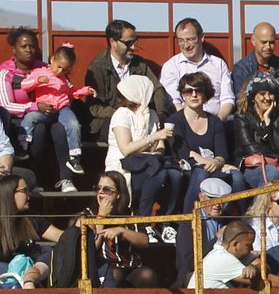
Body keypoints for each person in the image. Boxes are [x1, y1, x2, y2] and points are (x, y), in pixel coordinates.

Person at [1, 28, 75, 192]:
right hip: (19, 122)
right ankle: (33, 180)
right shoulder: (6, 72)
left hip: (49, 115)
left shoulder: (47, 68)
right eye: (24, 46)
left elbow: (65, 89)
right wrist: (34, 107)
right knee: (39, 130)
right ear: (14, 49)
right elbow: (6, 105)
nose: (29, 50)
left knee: (60, 128)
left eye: (32, 46)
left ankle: (66, 179)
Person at [105, 76, 183, 219]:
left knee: (175, 175)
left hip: (147, 163)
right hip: (125, 166)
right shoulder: (121, 114)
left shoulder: (151, 114)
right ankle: (143, 218)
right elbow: (126, 149)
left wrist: (156, 152)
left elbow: (161, 147)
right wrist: (153, 138)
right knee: (158, 174)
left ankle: (165, 220)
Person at [20, 44, 92, 188]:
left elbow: (71, 93)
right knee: (30, 118)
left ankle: (74, 157)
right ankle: (22, 145)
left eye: (64, 70)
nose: (60, 71)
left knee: (73, 124)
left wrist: (84, 91)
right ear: (52, 60)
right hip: (44, 111)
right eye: (58, 67)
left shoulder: (64, 79)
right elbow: (24, 85)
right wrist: (37, 81)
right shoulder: (40, 72)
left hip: (61, 110)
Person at [167, 71, 238, 216]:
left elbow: (222, 153)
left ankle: (238, 220)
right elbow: (185, 153)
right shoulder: (175, 121)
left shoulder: (215, 121)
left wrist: (217, 162)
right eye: (188, 91)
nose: (193, 95)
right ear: (182, 95)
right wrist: (210, 163)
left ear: (205, 94)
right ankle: (190, 218)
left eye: (198, 91)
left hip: (213, 166)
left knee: (237, 177)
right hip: (188, 167)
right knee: (201, 174)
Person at [232, 74, 279, 214]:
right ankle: (261, 220)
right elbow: (251, 148)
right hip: (252, 167)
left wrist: (268, 122)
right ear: (253, 96)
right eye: (262, 93)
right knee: (271, 172)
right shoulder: (242, 117)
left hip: (276, 162)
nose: (267, 97)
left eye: (271, 93)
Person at [85, 20, 169, 140]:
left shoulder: (140, 64)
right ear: (113, 42)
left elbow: (157, 88)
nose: (133, 47)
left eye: (135, 42)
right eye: (128, 43)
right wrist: (124, 115)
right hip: (109, 121)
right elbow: (95, 108)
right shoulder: (97, 68)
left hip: (141, 119)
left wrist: (161, 113)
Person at [158, 18, 234, 118]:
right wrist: (191, 123)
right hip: (185, 125)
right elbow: (173, 102)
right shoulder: (171, 66)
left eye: (190, 39)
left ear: (201, 37)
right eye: (181, 40)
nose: (186, 45)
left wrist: (216, 123)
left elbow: (227, 99)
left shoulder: (218, 64)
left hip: (217, 122)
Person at [230, 22, 279, 117]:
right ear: (253, 41)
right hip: (252, 122)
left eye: (272, 42)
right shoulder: (242, 69)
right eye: (263, 42)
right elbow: (241, 100)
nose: (268, 47)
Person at [0, 173, 51, 287]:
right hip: (4, 280)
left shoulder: (32, 218)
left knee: (49, 251)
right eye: (24, 190)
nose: (29, 194)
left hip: (31, 275)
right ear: (10, 195)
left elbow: (61, 237)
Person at [192, 220, 259, 290]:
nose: (252, 248)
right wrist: (257, 269)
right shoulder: (222, 259)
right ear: (235, 244)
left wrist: (255, 267)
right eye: (248, 245)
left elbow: (263, 265)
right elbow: (265, 281)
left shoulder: (237, 253)